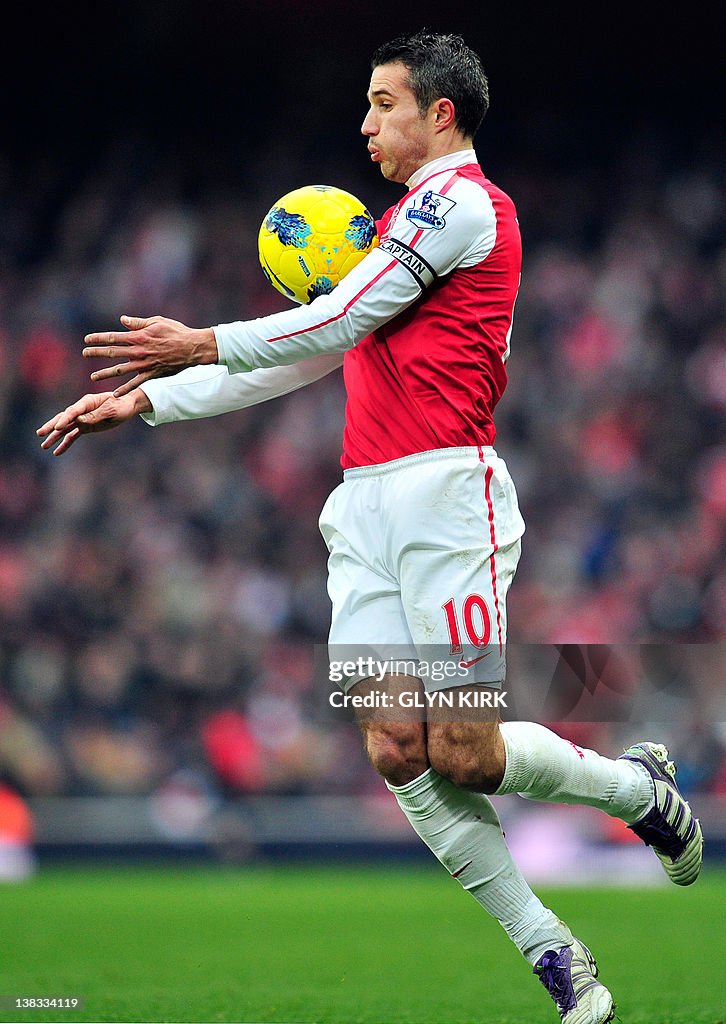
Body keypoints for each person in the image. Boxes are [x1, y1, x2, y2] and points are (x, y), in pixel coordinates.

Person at [38, 30, 703, 1024]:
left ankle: (636, 789)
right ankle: (550, 948)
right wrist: (155, 402)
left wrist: (201, 338)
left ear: (439, 113)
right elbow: (318, 355)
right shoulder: (394, 232)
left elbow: (338, 321)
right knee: (398, 746)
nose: (364, 124)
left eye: (381, 103)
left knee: (465, 751)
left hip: (447, 495)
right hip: (364, 506)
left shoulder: (461, 204)